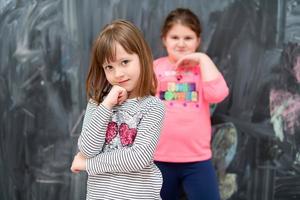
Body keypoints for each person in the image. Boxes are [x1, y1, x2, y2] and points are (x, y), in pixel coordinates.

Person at [70, 19, 165, 200]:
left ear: (142, 57)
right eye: (109, 67)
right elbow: (87, 149)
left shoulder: (153, 107)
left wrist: (88, 165)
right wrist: (107, 105)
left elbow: (138, 158)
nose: (118, 74)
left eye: (125, 62)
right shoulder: (98, 104)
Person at [153, 8, 229, 200]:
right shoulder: (155, 68)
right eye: (174, 37)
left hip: (197, 161)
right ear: (164, 39)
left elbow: (218, 94)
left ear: (198, 40)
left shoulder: (203, 69)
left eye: (188, 38)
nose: (181, 43)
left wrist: (203, 59)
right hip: (158, 159)